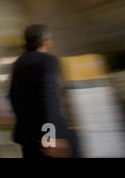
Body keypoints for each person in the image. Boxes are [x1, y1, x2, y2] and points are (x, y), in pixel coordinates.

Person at [9, 24, 78, 158]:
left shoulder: (18, 63)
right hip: (48, 137)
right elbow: (48, 96)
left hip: (27, 137)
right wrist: (51, 136)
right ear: (45, 41)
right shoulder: (48, 60)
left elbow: (12, 96)